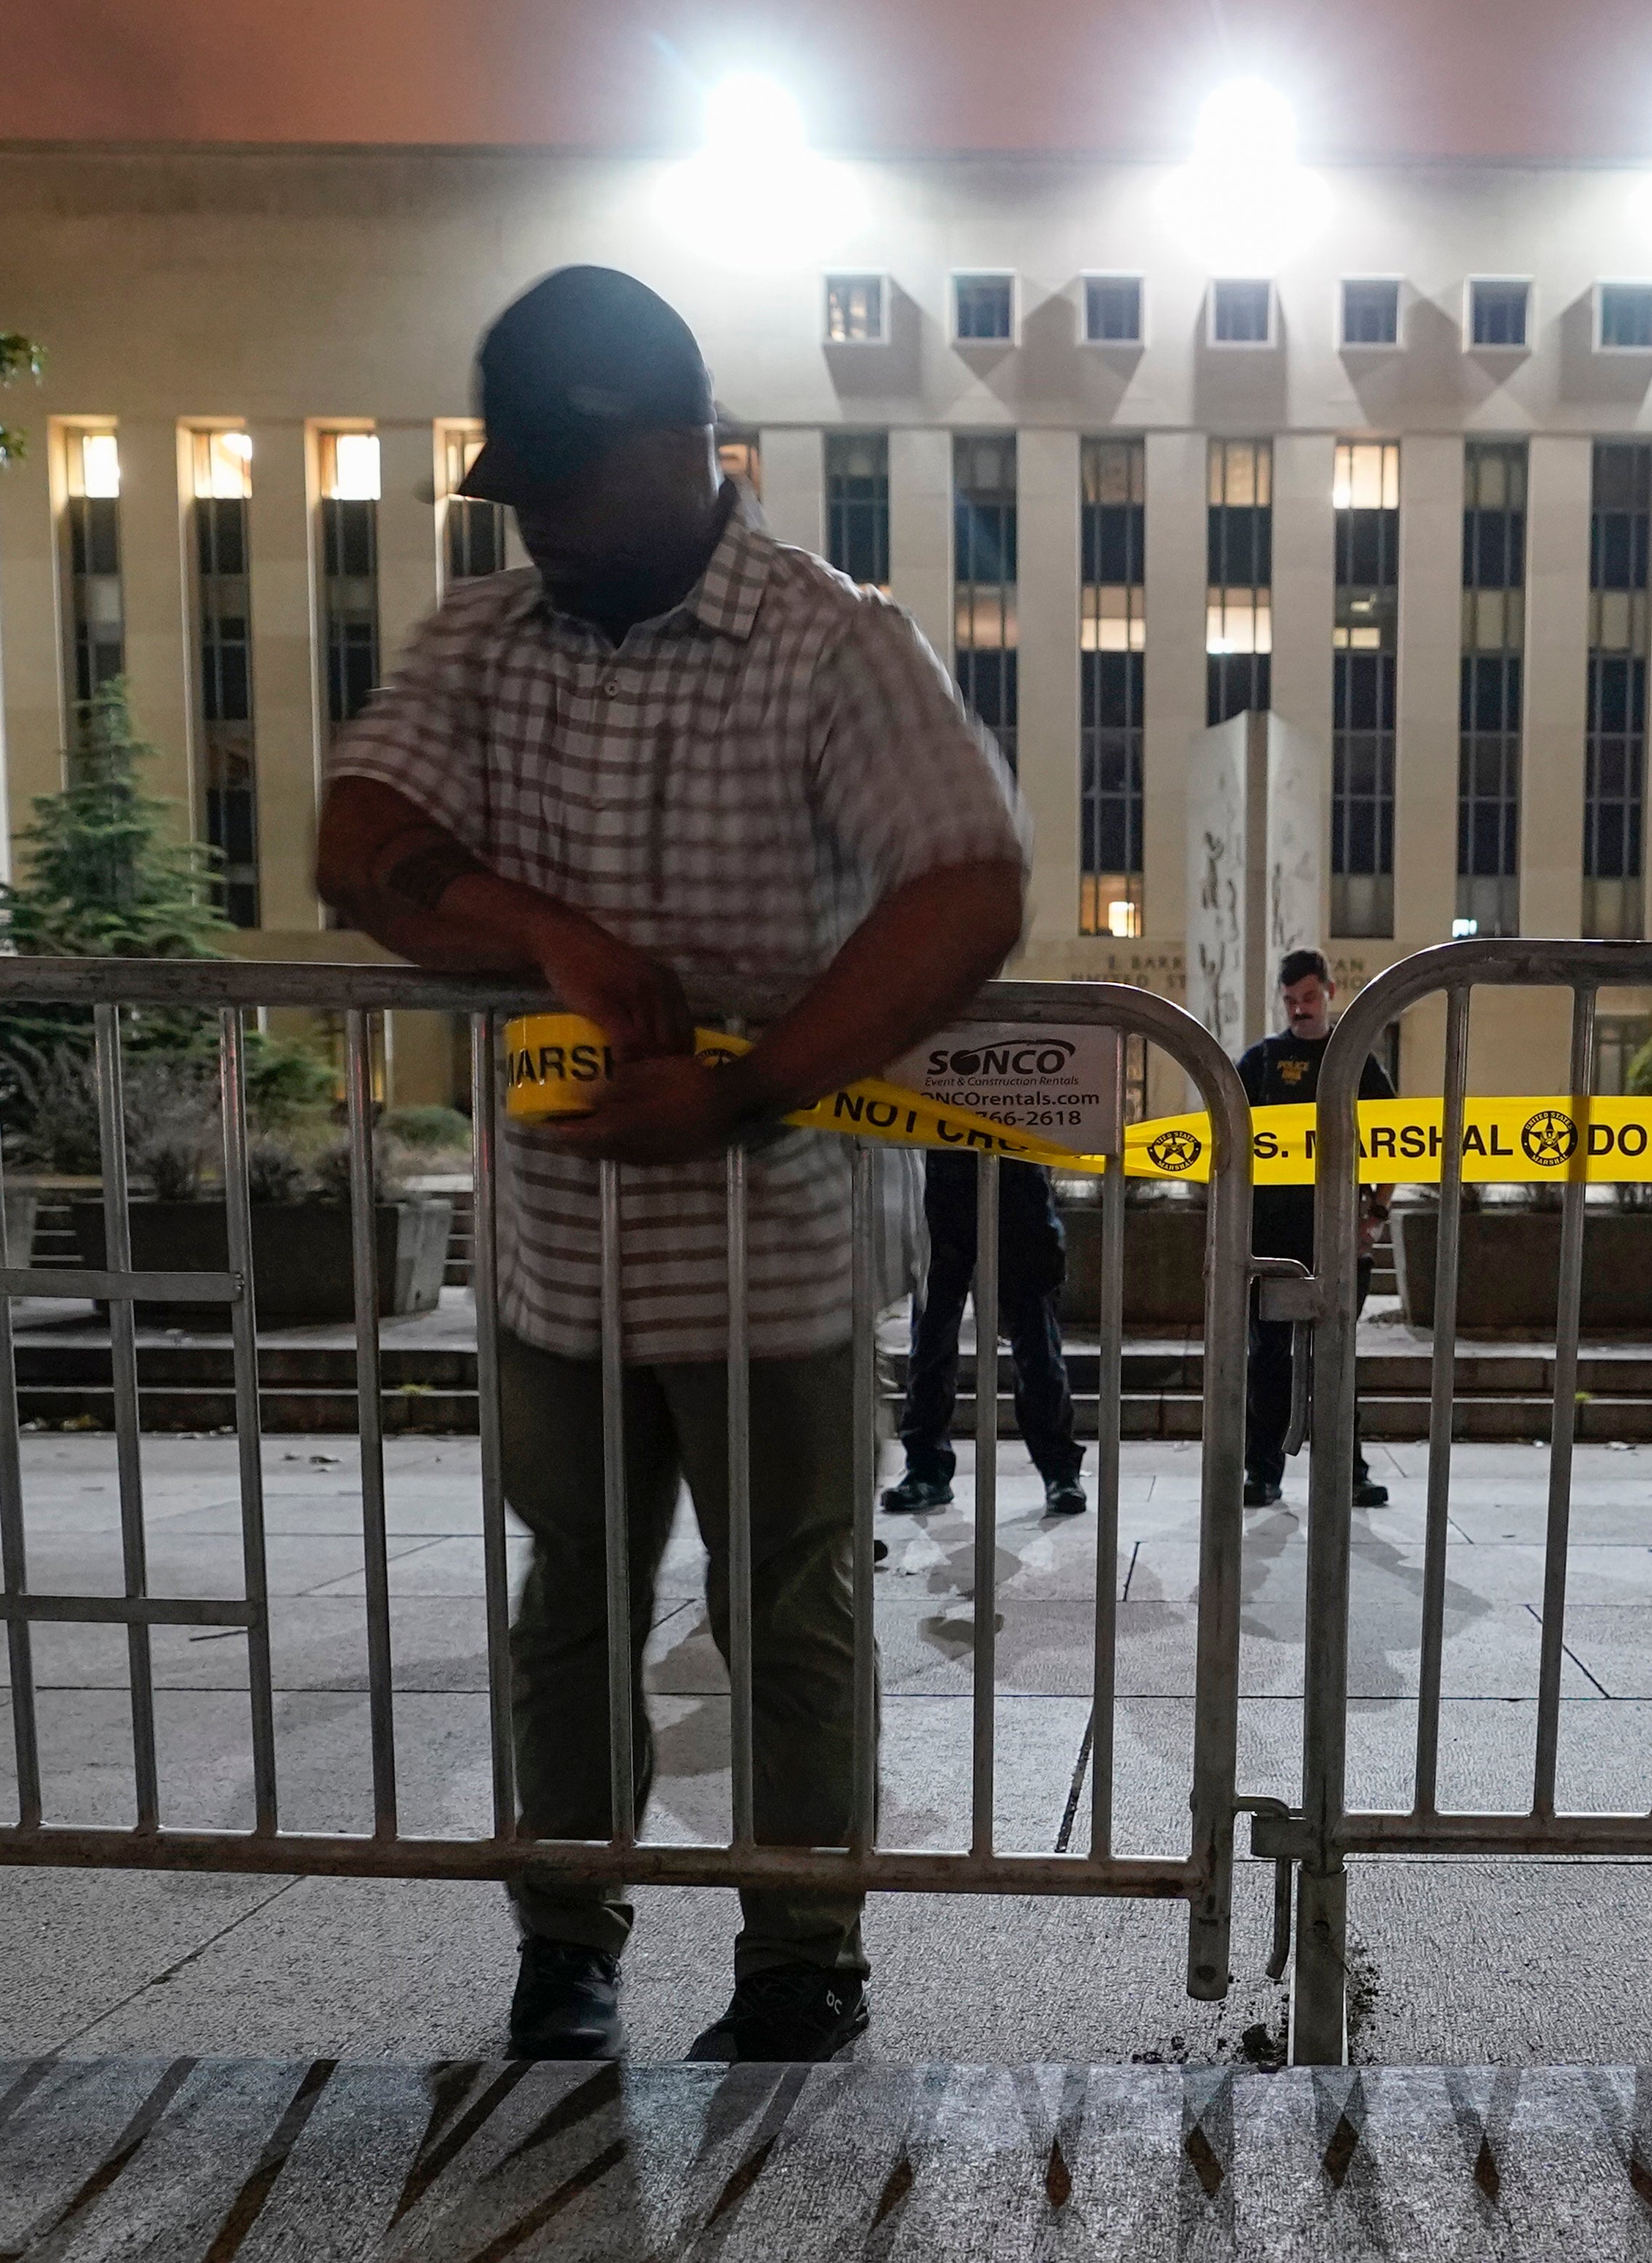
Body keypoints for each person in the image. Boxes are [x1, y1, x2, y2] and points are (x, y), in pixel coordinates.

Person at [313, 265, 1029, 2067]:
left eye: (569, 477)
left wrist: (748, 1088)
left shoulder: (829, 639)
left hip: (774, 1252)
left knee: (791, 1607)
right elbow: (358, 839)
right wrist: (535, 921)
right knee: (572, 1604)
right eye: (524, 486)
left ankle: (802, 1959)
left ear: (681, 444)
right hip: (558, 1253)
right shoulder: (486, 640)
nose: (541, 518)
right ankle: (566, 1940)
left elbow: (967, 880)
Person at [1237, 949, 1393, 1510]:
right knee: (1270, 1360)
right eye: (1290, 1001)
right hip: (1273, 1243)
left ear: (1329, 991)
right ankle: (1264, 1471)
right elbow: (1226, 1138)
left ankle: (1347, 1470)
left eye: (1308, 998)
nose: (1300, 1010)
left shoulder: (1355, 1062)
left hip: (1339, 1239)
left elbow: (1392, 1142)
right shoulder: (1261, 1062)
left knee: (1336, 1359)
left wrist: (1374, 1217)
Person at [884, 1151, 1087, 1519]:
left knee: (1033, 1332)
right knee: (934, 1331)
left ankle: (1058, 1468)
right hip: (962, 1166)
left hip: (1008, 1165)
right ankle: (927, 1467)